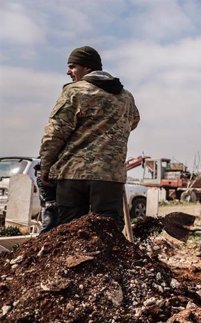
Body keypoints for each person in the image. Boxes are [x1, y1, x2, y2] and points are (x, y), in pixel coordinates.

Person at [39, 46, 139, 230]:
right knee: (109, 234)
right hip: (110, 177)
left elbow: (55, 133)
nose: (68, 72)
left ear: (87, 67)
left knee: (72, 233)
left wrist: (45, 167)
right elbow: (133, 122)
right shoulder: (127, 97)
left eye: (72, 66)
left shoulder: (75, 92)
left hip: (73, 174)